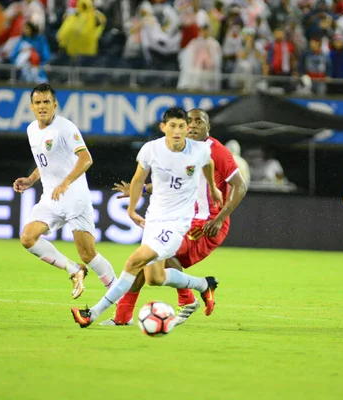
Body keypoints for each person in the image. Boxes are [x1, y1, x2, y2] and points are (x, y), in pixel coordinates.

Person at [71, 107, 222, 328]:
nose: (178, 131)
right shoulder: (151, 150)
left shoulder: (197, 150)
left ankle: (91, 313)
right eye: (173, 126)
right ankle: (203, 284)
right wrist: (132, 210)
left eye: (182, 126)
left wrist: (213, 188)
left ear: (186, 128)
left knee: (133, 262)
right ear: (163, 128)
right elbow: (138, 180)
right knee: (154, 277)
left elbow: (208, 164)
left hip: (177, 223)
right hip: (154, 219)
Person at [103, 108, 247, 327]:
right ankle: (123, 317)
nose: (193, 125)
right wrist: (140, 189)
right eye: (190, 121)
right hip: (185, 219)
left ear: (208, 127)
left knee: (155, 254)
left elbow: (241, 186)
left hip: (207, 224)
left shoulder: (216, 151)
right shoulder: (185, 151)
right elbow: (169, 183)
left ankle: (187, 299)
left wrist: (219, 220)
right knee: (148, 259)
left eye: (200, 121)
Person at [12, 83, 116, 299]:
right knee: (27, 238)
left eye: (47, 102)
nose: (42, 107)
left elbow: (86, 159)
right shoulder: (32, 129)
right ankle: (74, 270)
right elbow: (47, 161)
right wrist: (32, 179)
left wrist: (66, 182)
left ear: (55, 104)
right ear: (31, 106)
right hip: (50, 197)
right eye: (38, 103)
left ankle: (119, 297)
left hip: (75, 197)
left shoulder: (66, 128)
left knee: (88, 254)